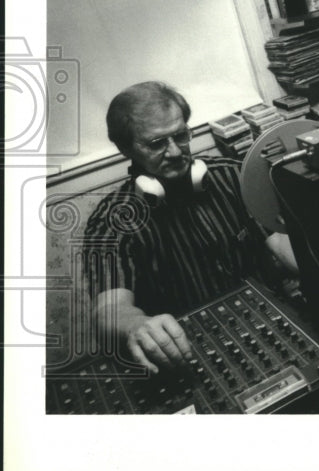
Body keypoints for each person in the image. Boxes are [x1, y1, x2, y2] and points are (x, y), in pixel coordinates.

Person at [82, 81, 297, 374]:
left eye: (181, 136)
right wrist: (136, 326)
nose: (174, 151)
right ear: (125, 148)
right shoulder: (113, 219)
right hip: (188, 350)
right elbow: (108, 309)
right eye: (157, 143)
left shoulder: (233, 175)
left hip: (270, 320)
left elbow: (279, 241)